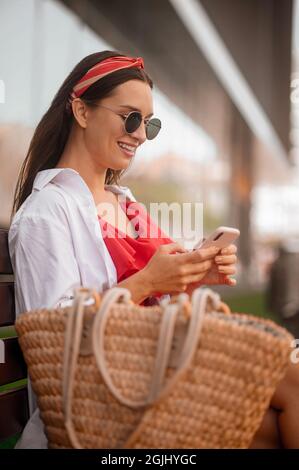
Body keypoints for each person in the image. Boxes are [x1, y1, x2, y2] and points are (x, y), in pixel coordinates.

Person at [8, 50, 299, 449]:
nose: (141, 135)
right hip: (106, 405)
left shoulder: (126, 204)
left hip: (159, 375)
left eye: (150, 124)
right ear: (81, 110)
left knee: (288, 382)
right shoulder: (46, 212)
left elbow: (153, 301)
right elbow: (55, 346)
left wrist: (192, 274)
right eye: (130, 118)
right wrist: (148, 281)